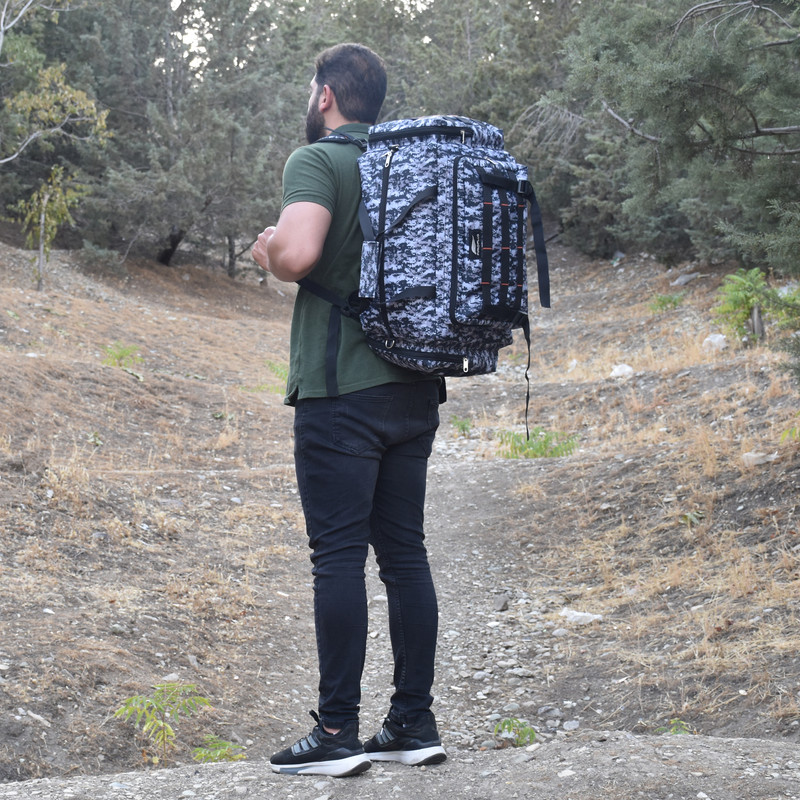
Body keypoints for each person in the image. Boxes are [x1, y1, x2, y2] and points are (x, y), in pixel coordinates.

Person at [252, 43, 446, 778]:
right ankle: (413, 723)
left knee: (336, 555)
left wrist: (269, 254)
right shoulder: (409, 164)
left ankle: (336, 731)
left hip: (341, 392)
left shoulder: (319, 162)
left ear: (326, 95)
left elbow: (299, 256)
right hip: (415, 384)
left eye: (312, 90)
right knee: (404, 554)